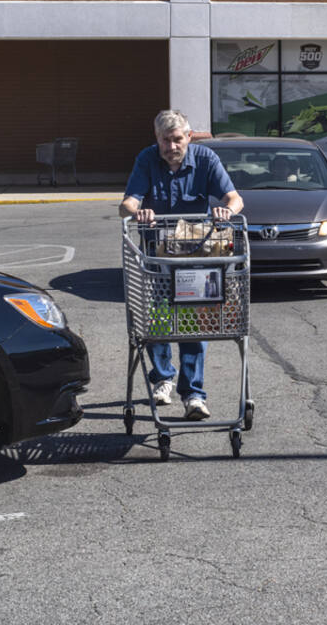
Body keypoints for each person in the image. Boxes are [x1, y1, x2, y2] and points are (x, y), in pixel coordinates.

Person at [120, 109, 244, 421]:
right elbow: (128, 202)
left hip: (194, 255)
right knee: (160, 319)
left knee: (190, 320)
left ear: (188, 137)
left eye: (178, 139)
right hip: (158, 257)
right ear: (157, 139)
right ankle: (163, 379)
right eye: (166, 140)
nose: (172, 146)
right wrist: (139, 212)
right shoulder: (146, 160)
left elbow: (234, 198)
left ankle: (193, 395)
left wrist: (226, 211)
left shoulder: (205, 160)